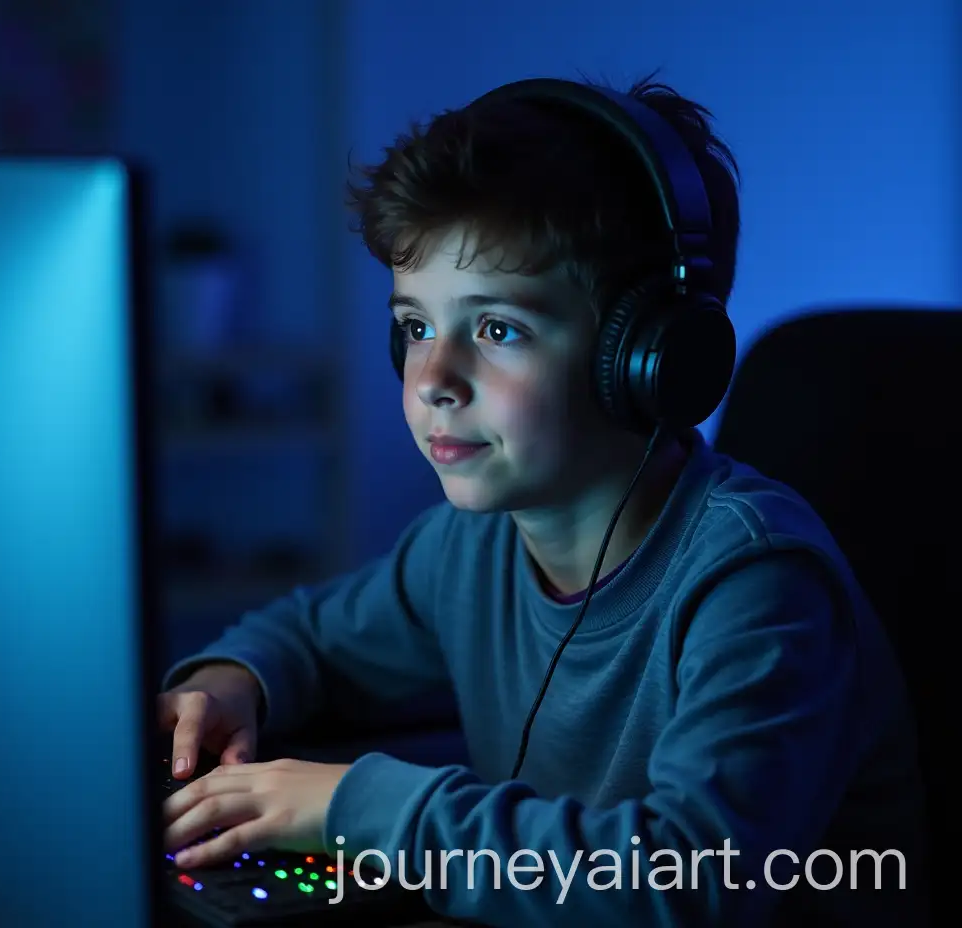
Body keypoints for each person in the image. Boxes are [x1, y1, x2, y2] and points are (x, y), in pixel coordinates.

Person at [156, 74, 927, 926]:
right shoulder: (467, 546)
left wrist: (357, 810)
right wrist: (233, 685)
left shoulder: (757, 585)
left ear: (649, 358)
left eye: (497, 330)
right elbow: (310, 637)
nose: (433, 381)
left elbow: (688, 884)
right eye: (415, 326)